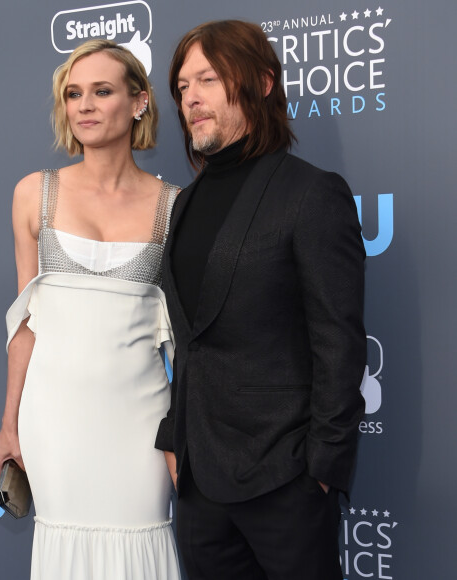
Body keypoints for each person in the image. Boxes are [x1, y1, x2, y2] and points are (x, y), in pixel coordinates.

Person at [155, 20, 366, 580]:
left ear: (262, 82)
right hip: (200, 485)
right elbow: (190, 341)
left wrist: (320, 470)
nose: (190, 97)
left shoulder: (311, 193)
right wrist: (176, 439)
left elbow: (339, 343)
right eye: (181, 87)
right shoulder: (185, 205)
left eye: (208, 79)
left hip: (285, 478)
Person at [0, 39, 181, 580]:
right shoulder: (34, 194)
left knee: (141, 546)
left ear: (139, 101)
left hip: (141, 421)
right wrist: (9, 425)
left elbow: (188, 339)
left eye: (102, 91)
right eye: (74, 94)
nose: (85, 106)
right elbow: (23, 326)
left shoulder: (175, 205)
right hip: (54, 420)